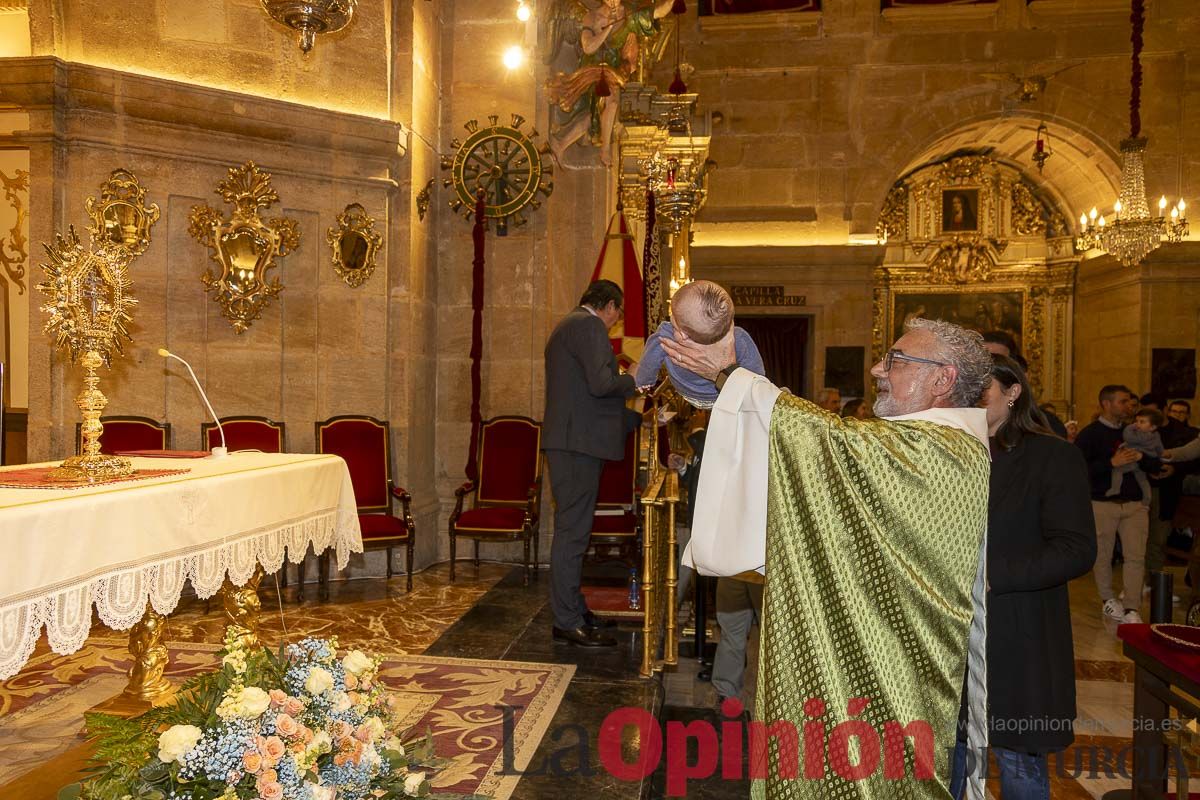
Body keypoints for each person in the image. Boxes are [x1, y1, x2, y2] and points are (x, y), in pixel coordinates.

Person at [663, 317, 993, 799]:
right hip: (875, 659)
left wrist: (730, 376)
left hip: (895, 677)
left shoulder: (941, 448)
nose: (878, 369)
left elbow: (826, 438)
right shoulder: (928, 444)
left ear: (943, 379)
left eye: (897, 360)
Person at [950, 355, 1095, 800]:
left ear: (1013, 393)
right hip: (953, 632)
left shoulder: (1053, 456)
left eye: (983, 391)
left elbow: (1076, 549)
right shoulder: (953, 453)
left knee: (1017, 762)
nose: (971, 401)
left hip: (1019, 630)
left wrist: (991, 576)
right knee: (951, 757)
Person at [542, 279, 638, 647]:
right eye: (618, 313)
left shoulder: (571, 325)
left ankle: (574, 611)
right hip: (575, 447)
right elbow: (602, 384)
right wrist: (633, 379)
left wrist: (639, 420)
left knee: (574, 533)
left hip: (574, 443)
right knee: (572, 535)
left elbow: (586, 398)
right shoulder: (588, 325)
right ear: (609, 305)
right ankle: (566, 620)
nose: (616, 321)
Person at [1075, 385, 1164, 624]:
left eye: (1130, 402)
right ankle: (1108, 600)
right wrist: (1111, 463)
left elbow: (1157, 464)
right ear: (1107, 404)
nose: (1130, 406)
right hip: (1103, 503)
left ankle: (1132, 606)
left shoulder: (1136, 432)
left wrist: (1143, 458)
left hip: (1134, 504)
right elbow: (1078, 472)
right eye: (1123, 402)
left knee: (1136, 556)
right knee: (1102, 555)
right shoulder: (1089, 434)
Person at [635, 280, 765, 407]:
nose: (670, 320)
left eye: (672, 316)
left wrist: (644, 379)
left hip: (686, 391)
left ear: (682, 335)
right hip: (721, 395)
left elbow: (650, 357)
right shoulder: (738, 336)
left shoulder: (667, 334)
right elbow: (755, 368)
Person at [1109, 408, 1164, 505]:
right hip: (1143, 461)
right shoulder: (1156, 435)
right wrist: (1159, 455)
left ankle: (1115, 489)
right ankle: (1147, 498)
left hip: (1133, 459)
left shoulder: (1143, 435)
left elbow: (1128, 437)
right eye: (1136, 421)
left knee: (1117, 470)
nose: (1137, 424)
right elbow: (1160, 448)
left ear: (1152, 427)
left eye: (1141, 422)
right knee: (1142, 479)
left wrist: (1130, 426)